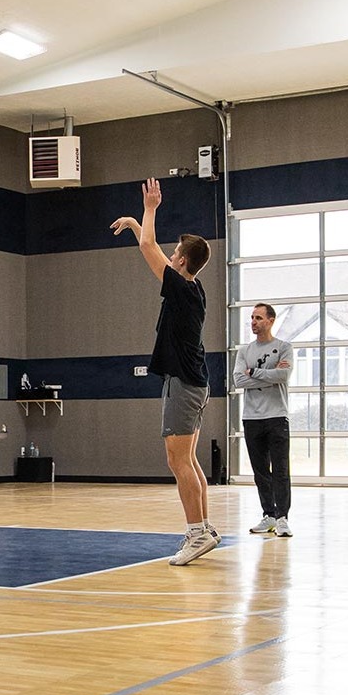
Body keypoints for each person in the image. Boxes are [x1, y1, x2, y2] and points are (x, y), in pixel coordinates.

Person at [111, 178, 218, 565]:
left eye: (175, 254)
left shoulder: (182, 288)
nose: (170, 258)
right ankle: (203, 528)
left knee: (177, 462)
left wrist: (150, 210)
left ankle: (195, 534)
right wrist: (139, 225)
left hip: (185, 384)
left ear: (183, 262)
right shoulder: (195, 287)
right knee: (186, 460)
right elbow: (150, 245)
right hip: (194, 382)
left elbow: (147, 248)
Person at [233, 303, 294, 537]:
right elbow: (239, 380)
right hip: (252, 418)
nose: (254, 322)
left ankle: (282, 518)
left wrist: (254, 373)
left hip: (277, 417)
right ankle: (268, 514)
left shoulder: (284, 348)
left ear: (270, 320)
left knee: (280, 470)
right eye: (252, 318)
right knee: (260, 471)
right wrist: (267, 376)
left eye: (258, 318)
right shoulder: (244, 351)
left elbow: (283, 375)